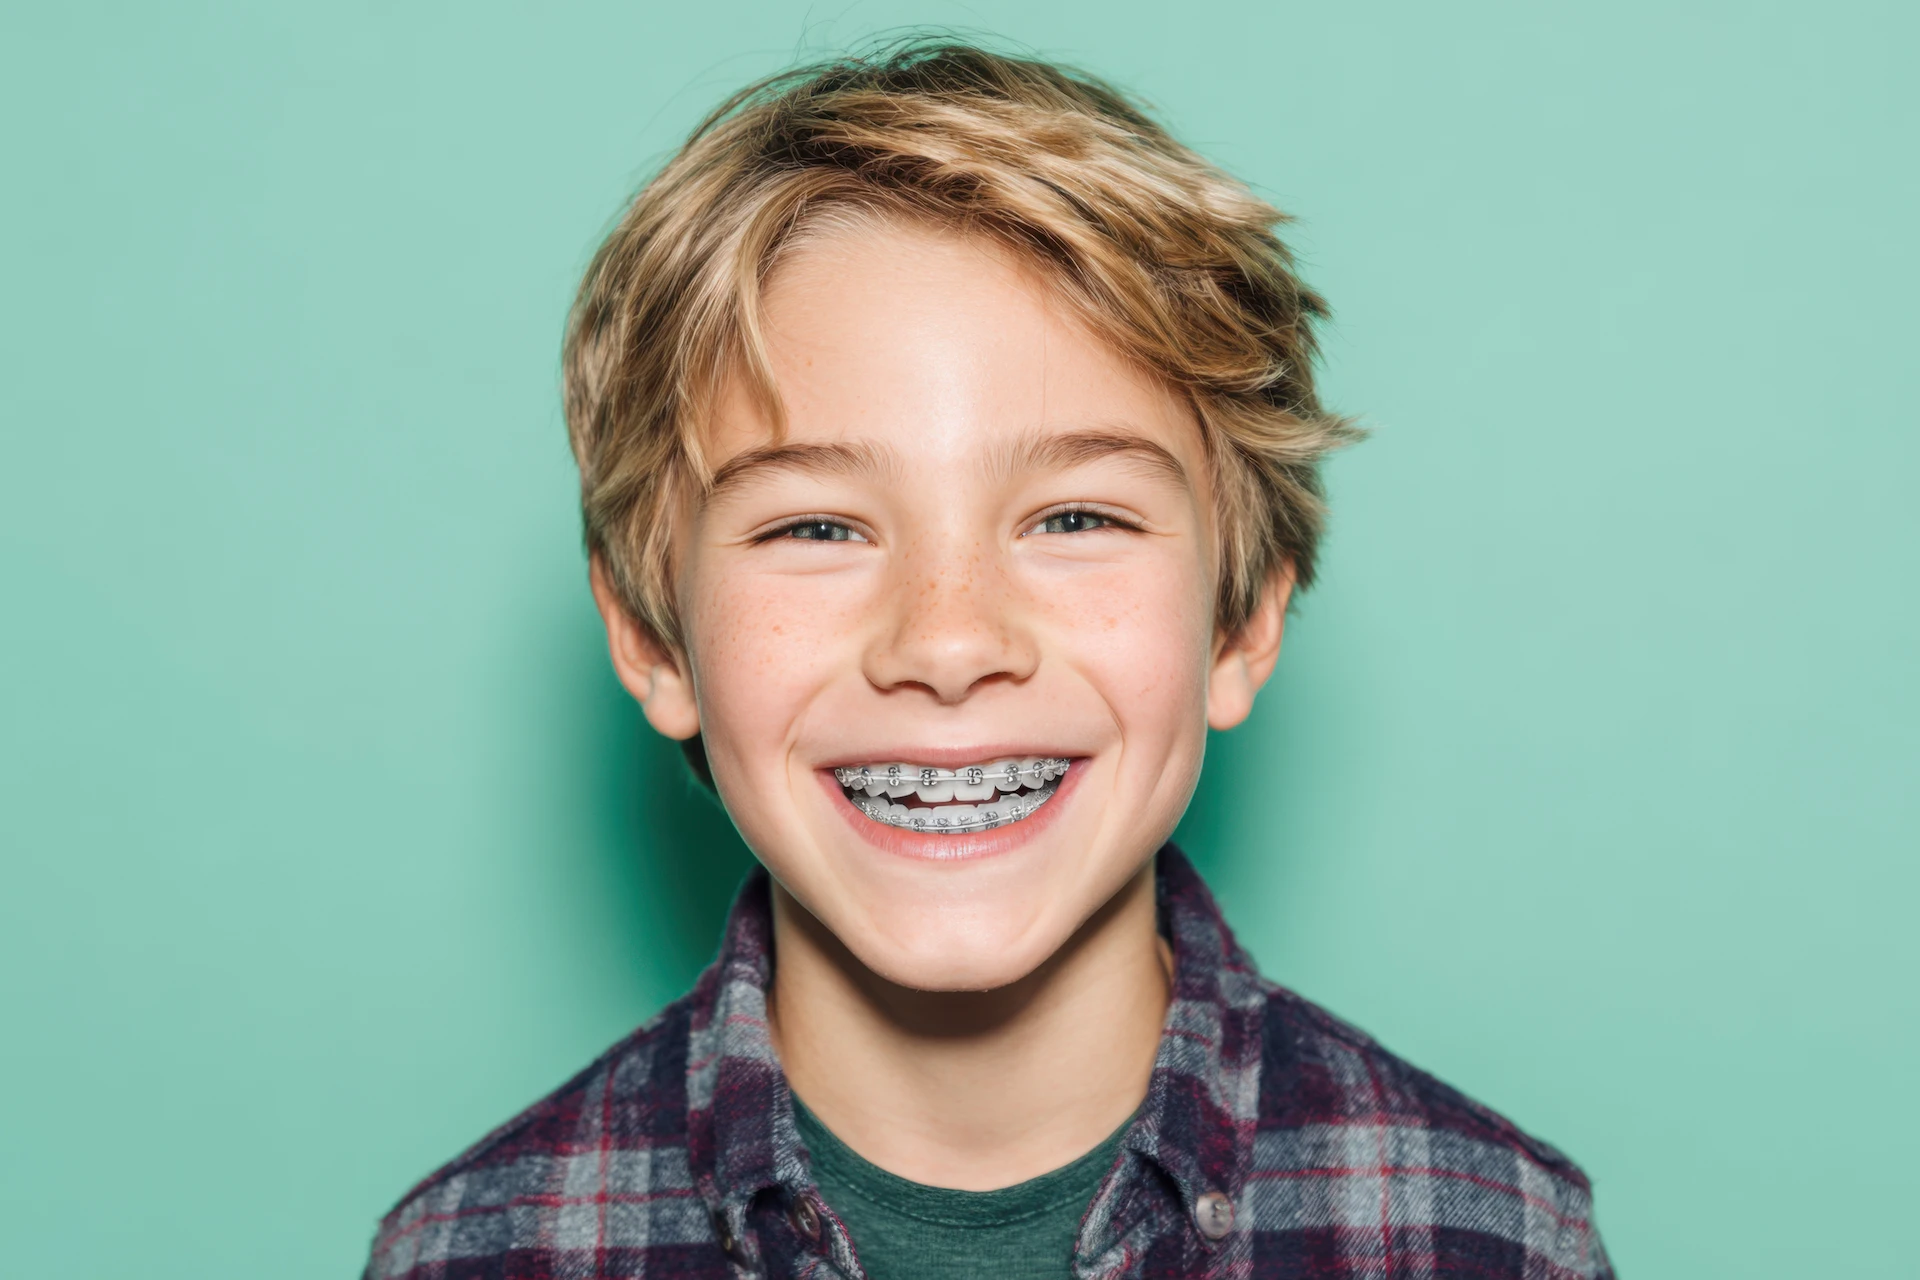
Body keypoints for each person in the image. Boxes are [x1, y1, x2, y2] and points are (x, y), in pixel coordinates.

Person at [364, 40, 1611, 1280]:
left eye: (1076, 518)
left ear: (1241, 621)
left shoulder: (1494, 1239)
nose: (949, 641)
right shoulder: (475, 1253)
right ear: (650, 636)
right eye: (816, 526)